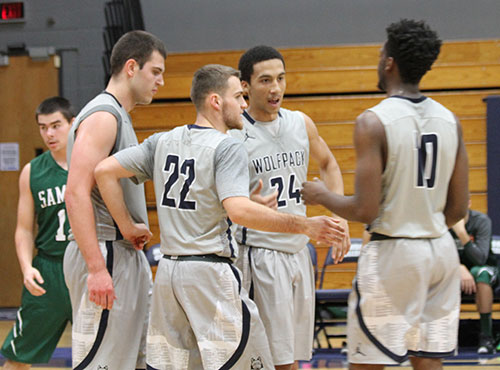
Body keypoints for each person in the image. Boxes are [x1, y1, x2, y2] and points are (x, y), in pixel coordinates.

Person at [93, 64, 345, 370]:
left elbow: (104, 171)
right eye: (238, 96)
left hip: (169, 275)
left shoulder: (163, 141)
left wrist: (127, 226)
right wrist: (305, 225)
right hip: (209, 273)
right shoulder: (227, 147)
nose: (243, 104)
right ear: (216, 101)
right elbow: (238, 211)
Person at [301, 19, 469, 370]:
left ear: (389, 62)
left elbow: (364, 209)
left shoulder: (373, 121)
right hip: (441, 252)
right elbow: (457, 209)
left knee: (367, 361)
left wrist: (320, 194)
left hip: (395, 251)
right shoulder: (450, 120)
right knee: (427, 360)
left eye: (381, 53)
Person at [228, 45, 350, 370]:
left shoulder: (300, 123)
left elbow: (330, 165)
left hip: (299, 252)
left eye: (281, 78)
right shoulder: (233, 133)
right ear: (245, 85)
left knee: (292, 358)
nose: (276, 88)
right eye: (266, 80)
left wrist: (337, 217)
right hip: (259, 254)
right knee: (271, 362)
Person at [63, 30, 166, 370]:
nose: (161, 82)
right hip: (104, 252)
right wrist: (96, 268)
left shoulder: (117, 115)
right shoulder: (103, 116)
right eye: (156, 71)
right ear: (132, 67)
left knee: (132, 360)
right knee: (102, 363)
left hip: (119, 250)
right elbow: (75, 192)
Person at [0, 97, 75, 369]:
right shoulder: (32, 171)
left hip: (85, 268)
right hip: (48, 271)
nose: (49, 134)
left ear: (73, 124)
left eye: (56, 125)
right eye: (43, 127)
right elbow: (23, 228)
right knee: (18, 358)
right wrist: (26, 267)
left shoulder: (91, 164)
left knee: (102, 358)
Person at [450, 203, 498, 354]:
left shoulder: (481, 221)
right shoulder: (441, 222)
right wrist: (459, 267)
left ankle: (486, 337)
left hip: (485, 268)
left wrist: (462, 234)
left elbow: (481, 260)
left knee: (482, 273)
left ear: (468, 202)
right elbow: (436, 256)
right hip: (454, 269)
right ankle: (445, 336)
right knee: (435, 276)